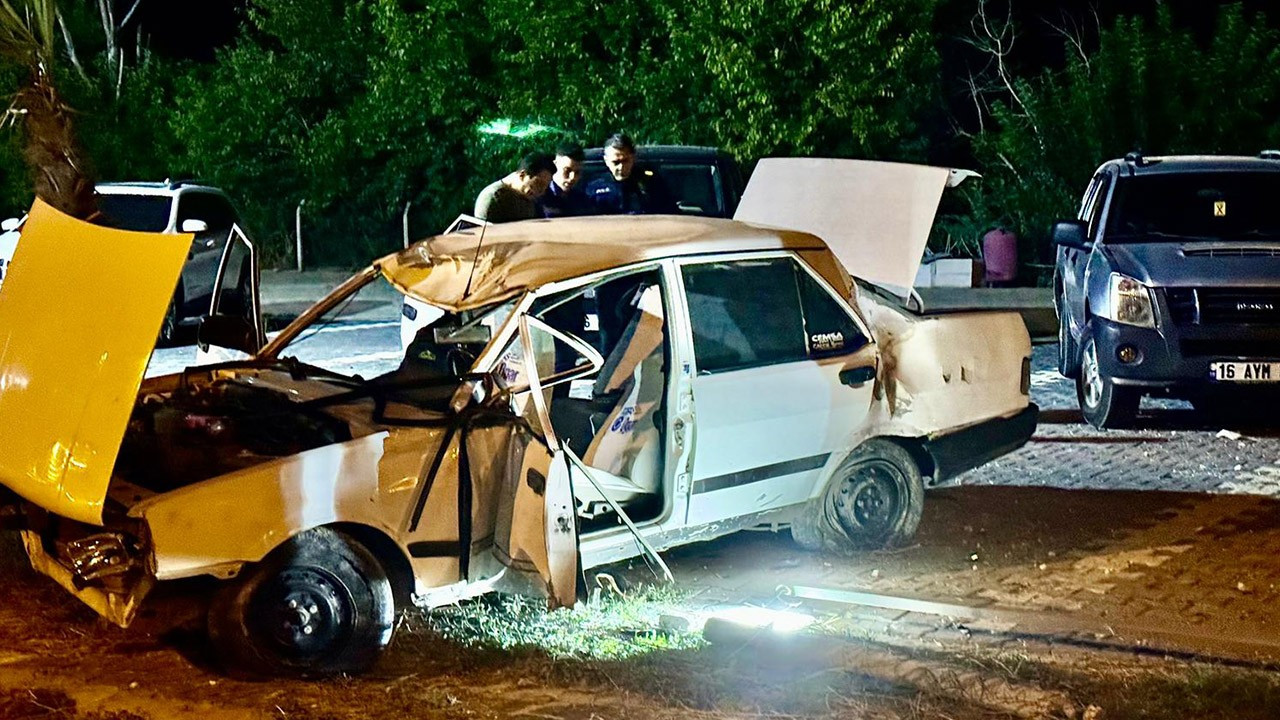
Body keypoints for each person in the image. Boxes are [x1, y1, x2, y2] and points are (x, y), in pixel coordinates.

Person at [585, 133, 677, 215]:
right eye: (616, 162)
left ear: (633, 158)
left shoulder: (651, 183)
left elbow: (670, 214)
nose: (621, 167)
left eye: (625, 161)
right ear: (606, 160)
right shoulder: (594, 186)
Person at [473, 152, 555, 223]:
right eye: (538, 184)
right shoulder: (494, 198)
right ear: (522, 175)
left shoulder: (531, 200)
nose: (541, 191)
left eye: (545, 187)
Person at [538, 143, 593, 218]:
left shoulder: (583, 200)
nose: (572, 177)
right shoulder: (539, 196)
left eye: (577, 172)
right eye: (567, 171)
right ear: (555, 165)